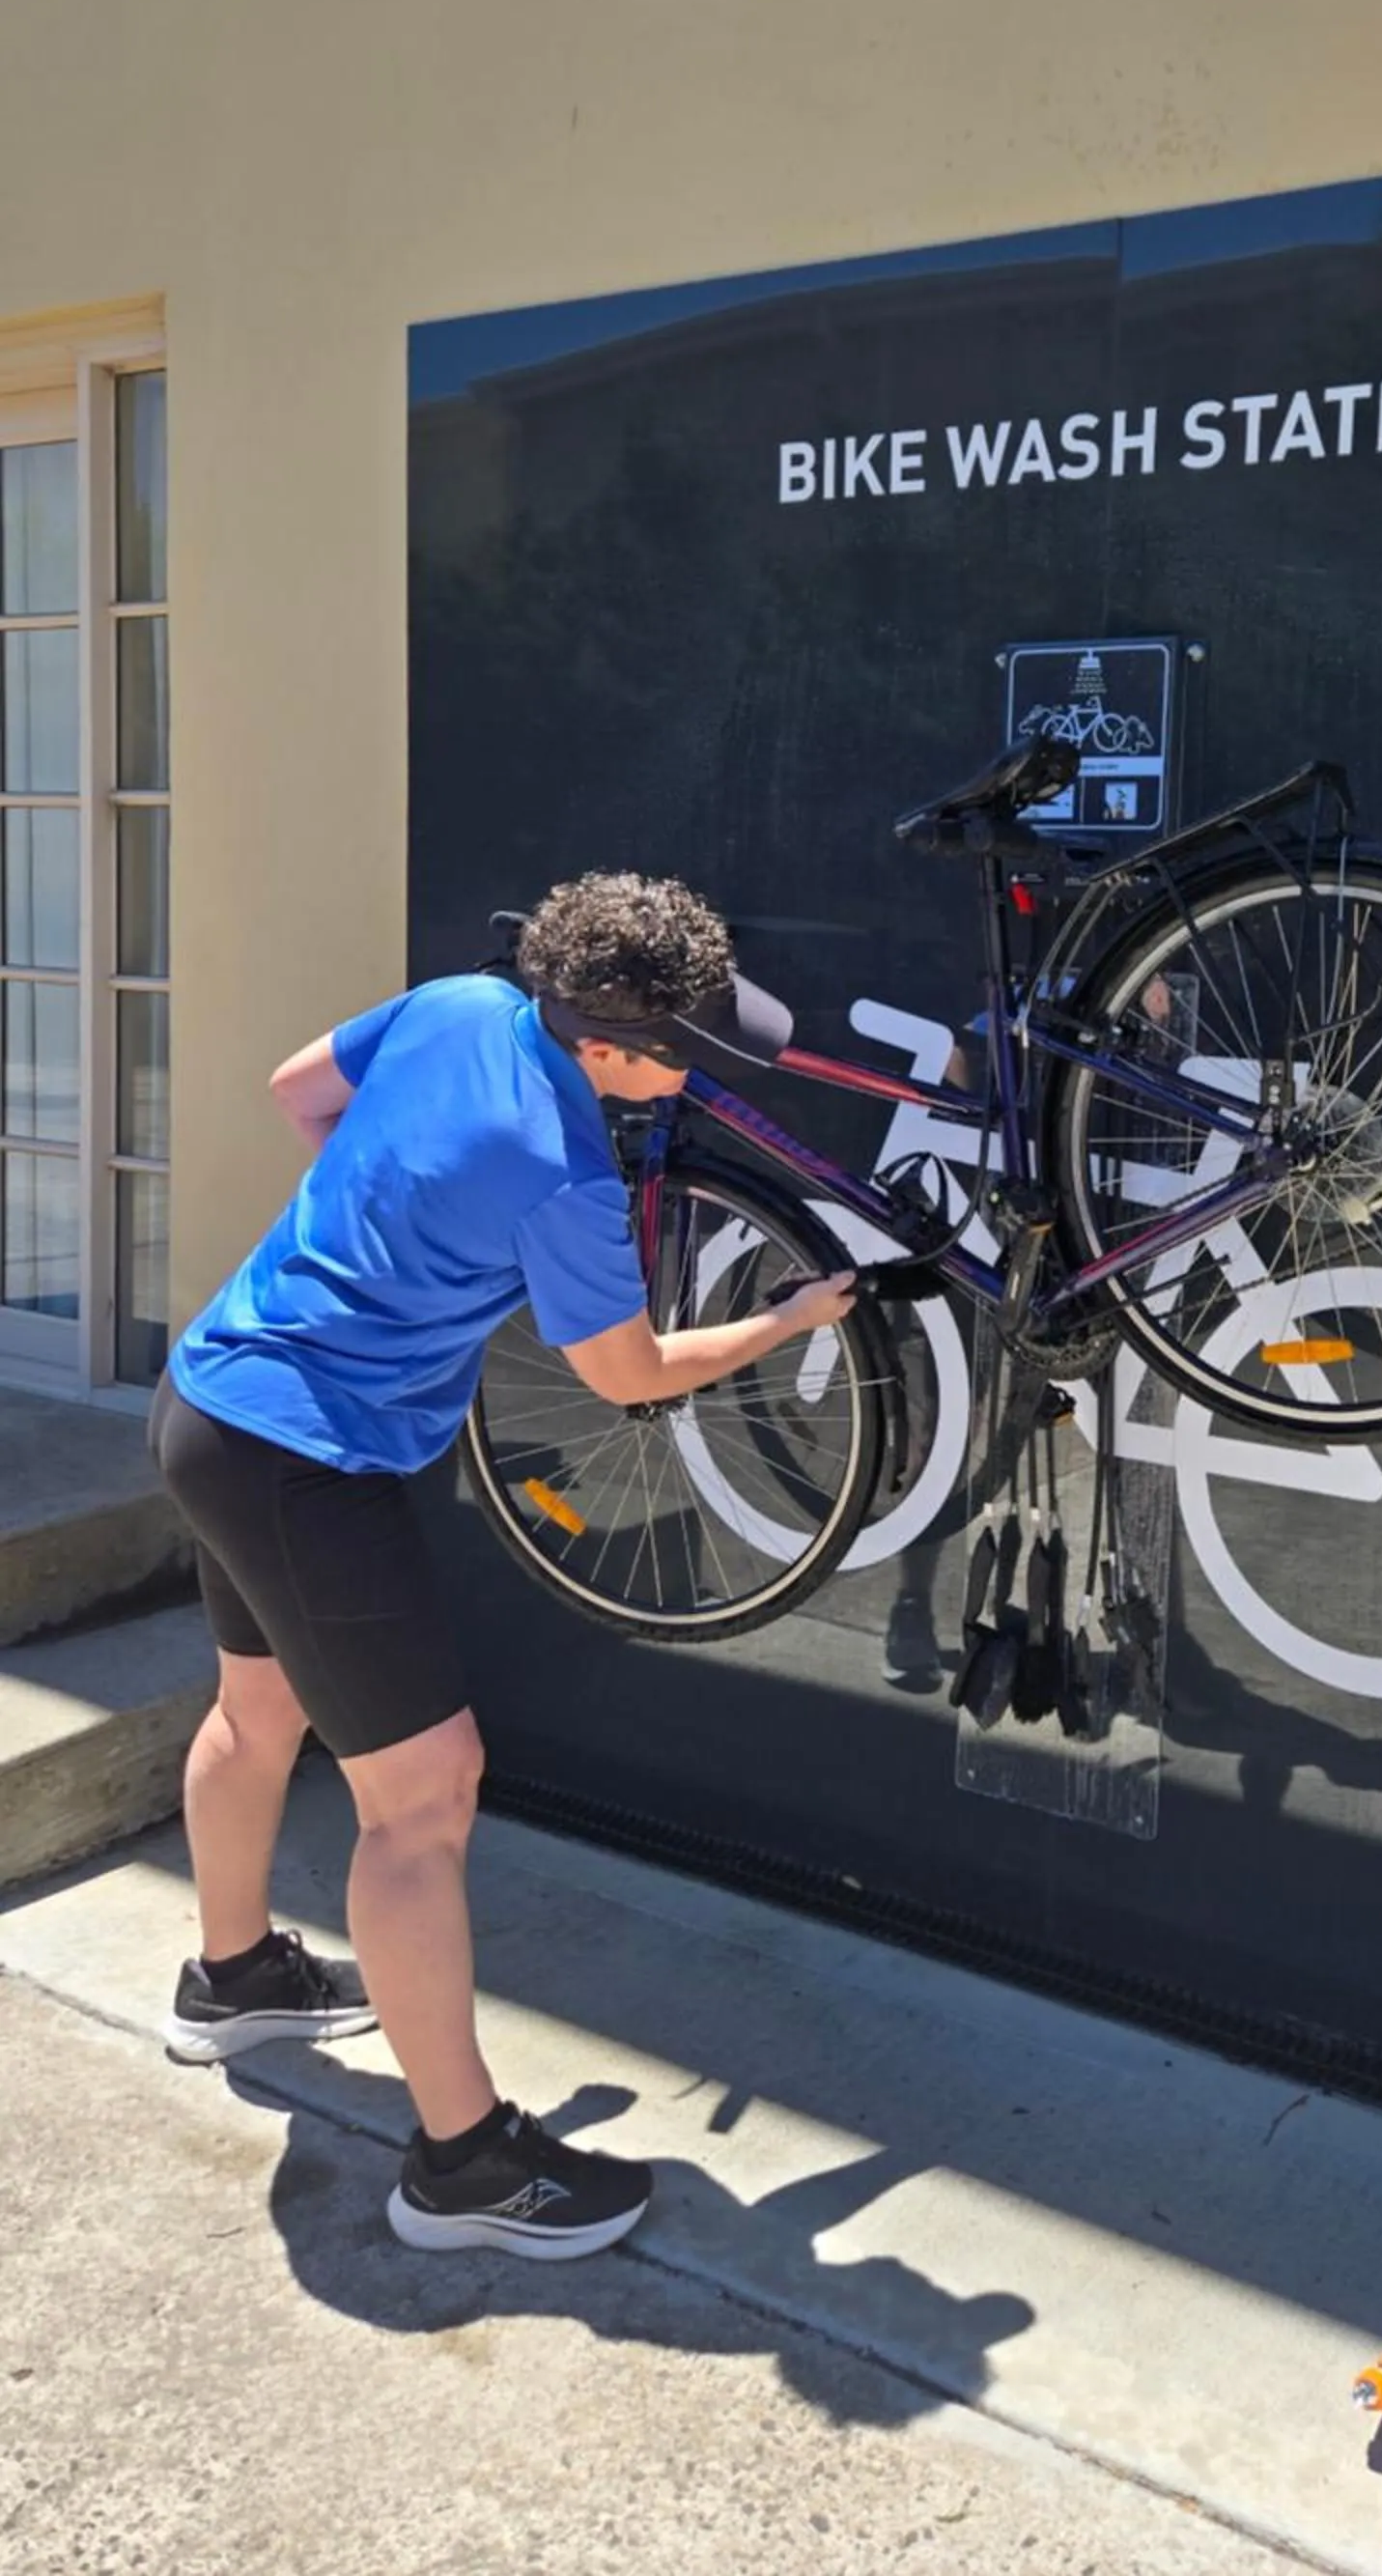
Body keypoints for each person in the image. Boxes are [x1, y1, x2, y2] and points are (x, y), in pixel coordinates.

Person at [148, 872, 855, 2260]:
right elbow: (630, 1376)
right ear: (602, 1039)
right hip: (305, 1461)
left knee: (258, 1710)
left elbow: (299, 1089)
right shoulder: (563, 1169)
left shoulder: (466, 1003)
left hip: (212, 1402)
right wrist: (784, 1321)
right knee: (424, 1799)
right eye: (683, 1058)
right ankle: (464, 2167)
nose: (691, 1083)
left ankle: (232, 1981)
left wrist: (391, 1224)